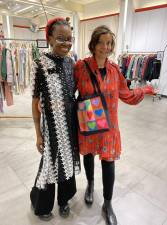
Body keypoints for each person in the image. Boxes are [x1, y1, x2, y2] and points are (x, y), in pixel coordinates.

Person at [74, 25, 156, 225]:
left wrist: (144, 91)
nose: (105, 46)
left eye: (109, 43)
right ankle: (90, 184)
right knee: (89, 155)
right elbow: (70, 92)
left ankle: (108, 204)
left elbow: (126, 95)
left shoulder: (114, 70)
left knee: (109, 162)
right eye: (101, 42)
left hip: (109, 126)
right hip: (89, 121)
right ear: (93, 44)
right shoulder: (81, 67)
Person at [30, 17, 80, 219]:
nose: (66, 43)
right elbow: (35, 102)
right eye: (61, 38)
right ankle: (42, 205)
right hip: (51, 126)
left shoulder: (71, 62)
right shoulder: (39, 63)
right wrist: (38, 134)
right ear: (49, 39)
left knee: (67, 160)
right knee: (50, 164)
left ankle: (64, 199)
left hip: (70, 123)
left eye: (69, 39)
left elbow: (73, 93)